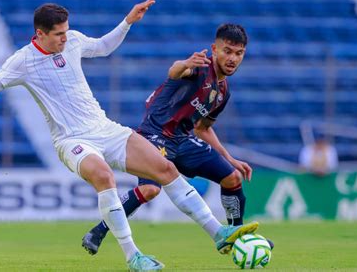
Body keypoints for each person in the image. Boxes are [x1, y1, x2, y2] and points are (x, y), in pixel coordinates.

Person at [0, 0, 258, 271]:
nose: (65, 38)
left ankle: (218, 233)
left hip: (105, 128)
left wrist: (128, 21)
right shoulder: (22, 61)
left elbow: (104, 47)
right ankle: (133, 256)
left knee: (166, 169)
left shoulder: (73, 42)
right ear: (40, 34)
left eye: (66, 32)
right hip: (72, 140)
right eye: (58, 34)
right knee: (104, 176)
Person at [82, 23, 272, 255]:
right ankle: (98, 230)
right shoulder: (200, 67)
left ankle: (236, 237)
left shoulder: (223, 91)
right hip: (154, 136)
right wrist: (185, 63)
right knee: (151, 190)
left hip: (182, 140)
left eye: (238, 53)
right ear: (214, 49)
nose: (232, 58)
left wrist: (229, 158)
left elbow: (203, 128)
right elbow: (175, 70)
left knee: (232, 178)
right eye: (227, 51)